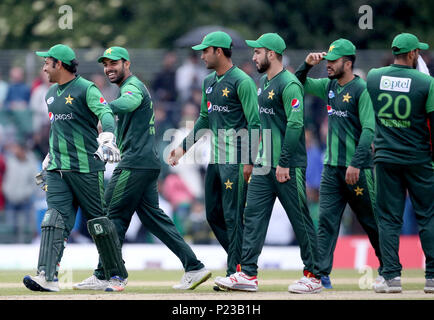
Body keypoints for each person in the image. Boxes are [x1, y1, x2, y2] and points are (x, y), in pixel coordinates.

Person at [73, 46, 211, 291]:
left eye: (114, 63)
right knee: (153, 219)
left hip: (134, 163)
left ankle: (112, 275)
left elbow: (129, 102)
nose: (108, 68)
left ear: (127, 63)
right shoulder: (128, 86)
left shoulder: (132, 86)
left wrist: (105, 108)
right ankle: (194, 266)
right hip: (145, 163)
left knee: (108, 216)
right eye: (105, 65)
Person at [214, 33, 322, 294]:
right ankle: (248, 274)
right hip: (264, 164)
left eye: (258, 52)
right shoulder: (262, 81)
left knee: (300, 220)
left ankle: (314, 275)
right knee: (252, 218)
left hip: (288, 165)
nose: (253, 57)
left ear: (271, 54)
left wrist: (284, 162)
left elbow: (296, 124)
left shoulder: (290, 84)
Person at [23, 44, 127, 292]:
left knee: (98, 223)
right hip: (58, 169)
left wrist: (108, 138)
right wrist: (50, 156)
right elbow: (60, 130)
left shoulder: (85, 89)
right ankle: (47, 276)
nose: (44, 68)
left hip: (87, 168)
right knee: (53, 219)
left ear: (59, 64)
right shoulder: (49, 94)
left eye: (47, 63)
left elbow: (106, 113)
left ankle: (115, 276)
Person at [168, 31, 261, 291]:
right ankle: (242, 264)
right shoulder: (208, 81)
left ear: (218, 51)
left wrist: (249, 160)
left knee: (233, 217)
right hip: (215, 160)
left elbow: (254, 123)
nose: (201, 55)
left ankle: (238, 272)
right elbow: (205, 120)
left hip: (236, 160)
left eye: (205, 51)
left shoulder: (242, 81)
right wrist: (182, 149)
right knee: (213, 215)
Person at [294, 38, 383, 289]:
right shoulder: (330, 86)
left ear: (348, 62)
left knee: (372, 222)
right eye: (328, 60)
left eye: (334, 61)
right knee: (326, 223)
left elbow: (368, 130)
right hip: (331, 168)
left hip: (358, 170)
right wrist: (306, 65)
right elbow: (297, 85)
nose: (329, 65)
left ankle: (390, 270)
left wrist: (356, 163)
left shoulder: (361, 89)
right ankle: (321, 275)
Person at [366, 33, 434, 294]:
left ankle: (391, 277)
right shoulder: (426, 82)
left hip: (385, 158)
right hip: (419, 159)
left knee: (388, 219)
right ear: (413, 53)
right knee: (427, 216)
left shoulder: (374, 77)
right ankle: (432, 277)